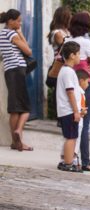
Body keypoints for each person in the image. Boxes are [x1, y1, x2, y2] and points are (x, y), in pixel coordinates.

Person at [67, 12, 90, 172]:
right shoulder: (86, 43)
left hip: (70, 86)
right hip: (87, 86)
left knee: (73, 123)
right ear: (87, 26)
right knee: (85, 124)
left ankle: (70, 159)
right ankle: (86, 161)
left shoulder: (67, 41)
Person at [0, 9, 33, 151]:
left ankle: (16, 143)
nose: (20, 23)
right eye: (18, 20)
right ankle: (18, 130)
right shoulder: (12, 33)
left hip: (8, 70)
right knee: (26, 109)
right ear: (10, 21)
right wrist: (19, 33)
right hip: (18, 70)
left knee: (14, 108)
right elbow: (28, 51)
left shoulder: (1, 34)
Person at [56, 41, 82, 172]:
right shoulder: (68, 72)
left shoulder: (66, 71)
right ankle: (68, 163)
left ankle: (66, 161)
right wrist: (76, 111)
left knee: (71, 136)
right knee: (71, 137)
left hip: (67, 110)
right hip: (68, 110)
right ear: (72, 55)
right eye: (78, 54)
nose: (79, 57)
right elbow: (70, 92)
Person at [57, 69, 89, 171]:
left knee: (69, 138)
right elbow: (79, 106)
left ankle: (65, 159)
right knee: (74, 140)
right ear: (81, 81)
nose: (88, 84)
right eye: (87, 81)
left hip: (74, 117)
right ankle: (70, 161)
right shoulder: (79, 92)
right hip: (77, 120)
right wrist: (81, 112)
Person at [46, 6, 71, 127]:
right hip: (60, 66)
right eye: (69, 15)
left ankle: (64, 117)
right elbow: (66, 47)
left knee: (67, 91)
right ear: (64, 17)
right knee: (61, 92)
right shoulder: (57, 33)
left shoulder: (67, 32)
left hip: (68, 66)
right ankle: (61, 118)